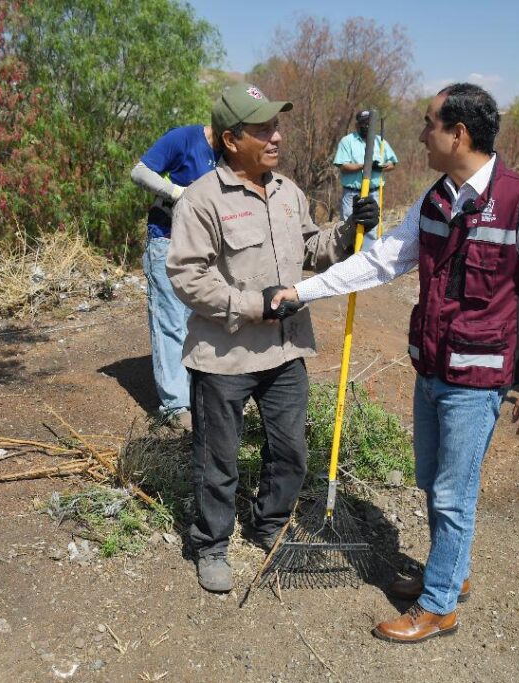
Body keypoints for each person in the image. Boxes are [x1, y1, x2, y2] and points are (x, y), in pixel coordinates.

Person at [270, 83, 519, 643]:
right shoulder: (438, 197)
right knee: (435, 484)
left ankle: (439, 607)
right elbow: (385, 259)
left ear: (458, 134)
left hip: (478, 379)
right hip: (432, 368)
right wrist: (306, 289)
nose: (420, 134)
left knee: (455, 492)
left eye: (429, 123)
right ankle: (450, 574)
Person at [167, 83, 379, 593]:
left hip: (286, 351)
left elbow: (313, 248)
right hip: (225, 355)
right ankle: (212, 544)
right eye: (263, 129)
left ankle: (269, 525)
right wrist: (252, 304)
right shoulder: (201, 201)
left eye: (276, 127)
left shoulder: (288, 192)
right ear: (231, 139)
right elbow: (188, 277)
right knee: (217, 459)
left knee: (291, 451)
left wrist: (351, 231)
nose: (276, 137)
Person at [130, 124, 219, 430]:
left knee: (199, 321)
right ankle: (177, 404)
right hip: (167, 240)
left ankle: (203, 395)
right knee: (170, 321)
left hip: (207, 249)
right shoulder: (184, 139)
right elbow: (140, 172)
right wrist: (177, 193)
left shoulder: (235, 153)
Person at [334, 110, 398, 249]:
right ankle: (347, 257)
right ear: (357, 125)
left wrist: (380, 167)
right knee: (348, 225)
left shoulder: (380, 142)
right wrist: (365, 165)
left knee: (371, 226)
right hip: (352, 193)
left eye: (369, 123)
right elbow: (343, 165)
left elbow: (392, 164)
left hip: (373, 192)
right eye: (363, 123)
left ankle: (366, 259)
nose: (367, 126)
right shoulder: (347, 141)